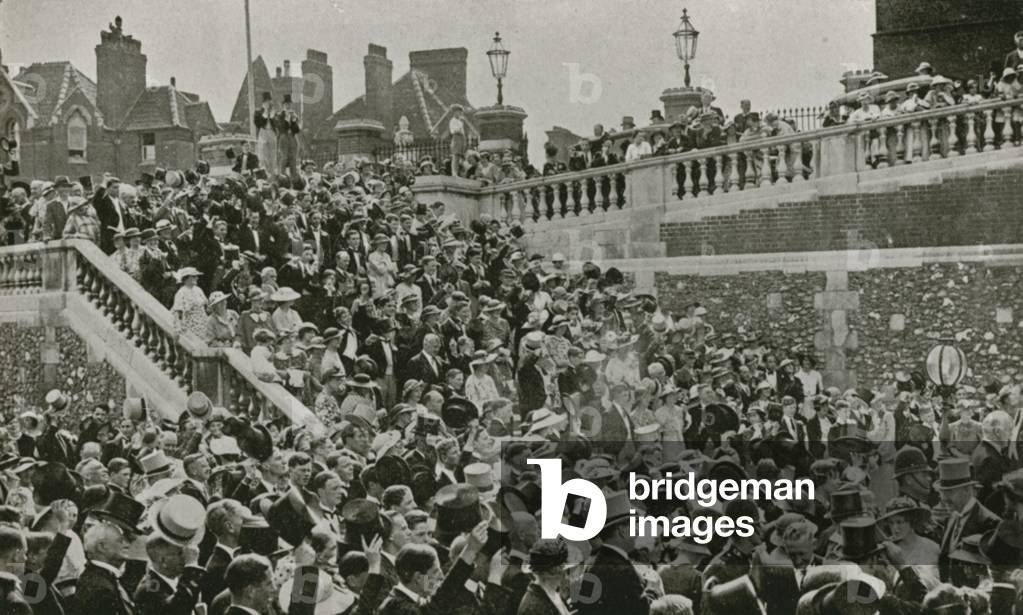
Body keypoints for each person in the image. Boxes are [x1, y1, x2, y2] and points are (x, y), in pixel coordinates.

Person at [171, 267, 208, 339]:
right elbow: (177, 312)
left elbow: (206, 303)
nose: (197, 278)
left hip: (203, 325)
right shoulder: (181, 293)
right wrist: (178, 328)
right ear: (186, 278)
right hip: (190, 328)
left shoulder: (198, 289)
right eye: (194, 276)